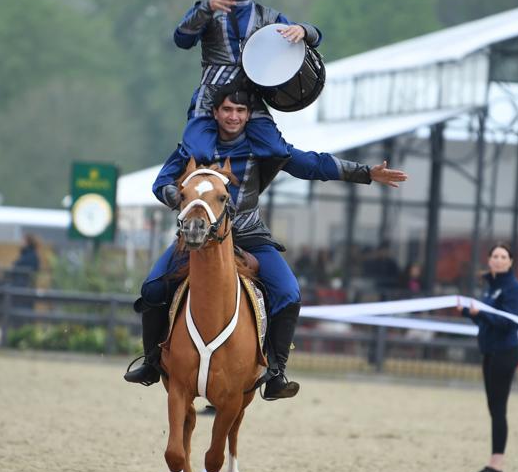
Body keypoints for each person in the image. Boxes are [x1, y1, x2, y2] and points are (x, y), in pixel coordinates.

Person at [123, 83, 407, 399]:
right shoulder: (191, 148)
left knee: (289, 292)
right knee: (151, 287)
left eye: (240, 111)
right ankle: (152, 362)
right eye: (227, 109)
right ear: (215, 113)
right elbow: (161, 183)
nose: (233, 116)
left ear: (248, 115)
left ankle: (275, 372)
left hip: (250, 238)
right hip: (197, 239)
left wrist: (366, 172)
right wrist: (186, 199)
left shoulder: (262, 147)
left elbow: (312, 164)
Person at [173, 0, 322, 161]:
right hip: (210, 97)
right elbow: (181, 40)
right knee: (198, 154)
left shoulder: (271, 18)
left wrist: (304, 30)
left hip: (249, 100)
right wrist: (206, 8)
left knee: (276, 152)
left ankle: (236, 177)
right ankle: (173, 181)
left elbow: (315, 37)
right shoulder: (207, 8)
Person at [460, 242, 518, 472]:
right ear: (489, 260)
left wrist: (482, 314)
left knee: (498, 409)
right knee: (493, 408)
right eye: (495, 256)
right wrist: (469, 313)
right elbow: (487, 322)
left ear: (510, 262)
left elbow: (510, 323)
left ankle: (496, 466)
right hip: (489, 351)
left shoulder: (513, 289)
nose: (498, 260)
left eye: (503, 256)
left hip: (505, 353)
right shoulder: (491, 287)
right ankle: (493, 464)